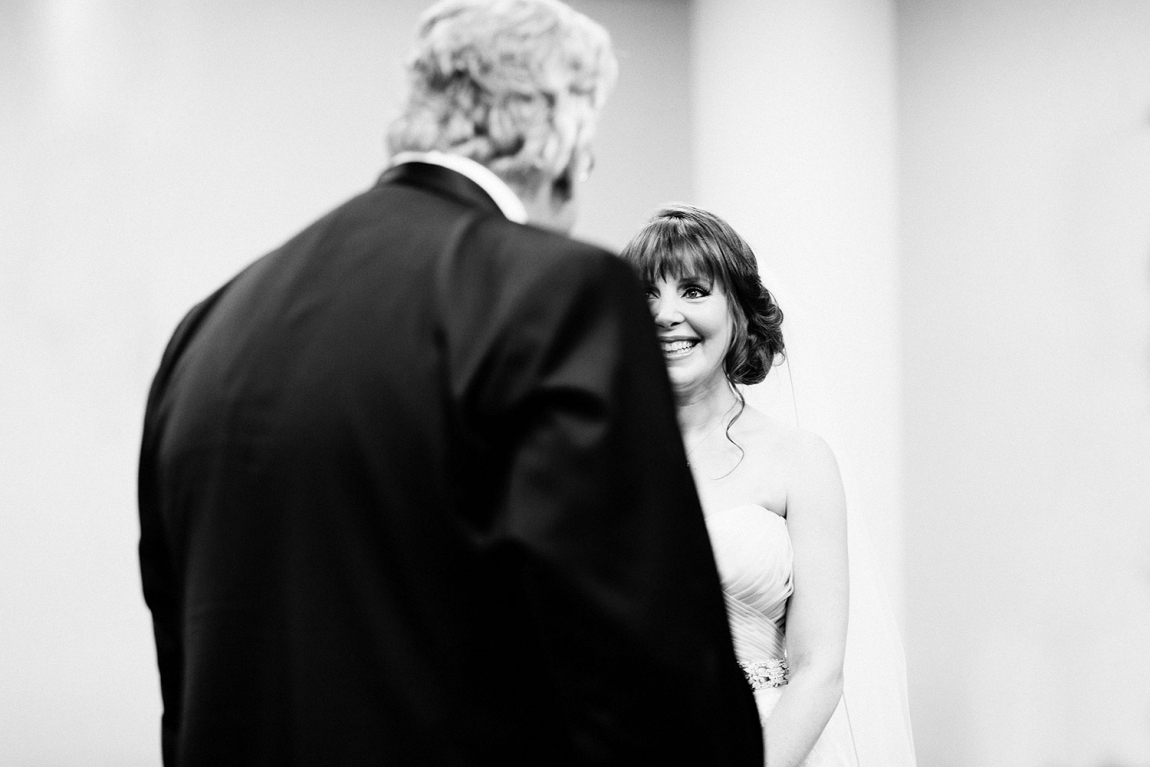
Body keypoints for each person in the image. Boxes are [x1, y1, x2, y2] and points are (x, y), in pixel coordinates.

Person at [136, 3, 763, 766]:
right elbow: (655, 680)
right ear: (564, 145)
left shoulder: (210, 329)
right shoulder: (557, 295)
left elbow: (186, 668)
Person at [620, 204, 916, 767]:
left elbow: (818, 669)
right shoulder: (595, 459)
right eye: (646, 295)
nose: (665, 315)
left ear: (738, 311)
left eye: (693, 291)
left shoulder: (799, 460)